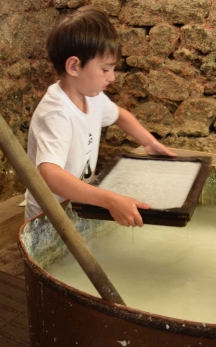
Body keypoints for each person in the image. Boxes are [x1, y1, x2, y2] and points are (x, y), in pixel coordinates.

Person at [25, 6, 176, 227]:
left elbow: (120, 115)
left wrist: (150, 143)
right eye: (105, 69)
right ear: (74, 66)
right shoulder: (57, 113)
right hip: (48, 219)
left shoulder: (92, 96)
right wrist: (110, 200)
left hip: (78, 204)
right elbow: (51, 174)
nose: (112, 78)